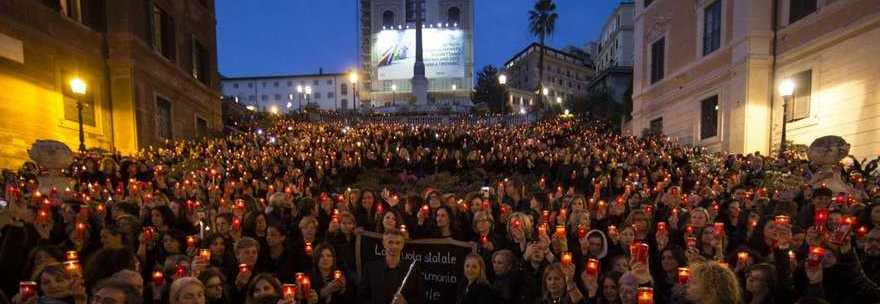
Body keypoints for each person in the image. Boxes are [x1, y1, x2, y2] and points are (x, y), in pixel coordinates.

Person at [357, 230, 424, 304]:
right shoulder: (371, 267)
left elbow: (421, 297)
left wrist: (406, 302)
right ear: (384, 244)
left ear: (402, 245)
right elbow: (362, 296)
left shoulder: (413, 268)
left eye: (398, 243)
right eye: (390, 242)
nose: (394, 246)